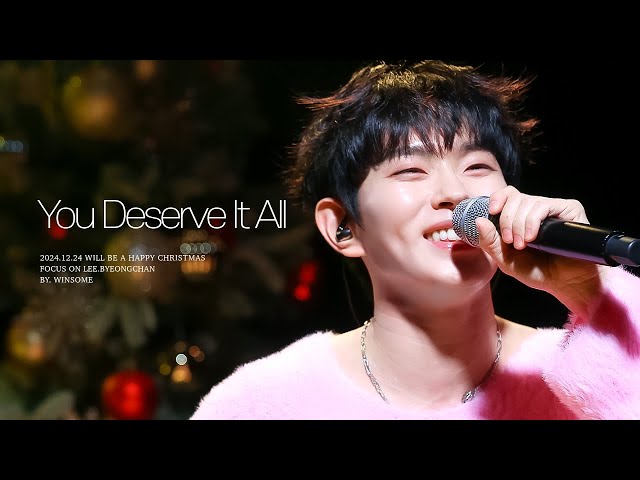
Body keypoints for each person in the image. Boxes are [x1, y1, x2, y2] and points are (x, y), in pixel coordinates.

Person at [190, 60, 640, 419]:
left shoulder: (592, 374)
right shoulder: (263, 403)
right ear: (342, 226)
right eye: (410, 170)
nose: (455, 192)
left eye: (477, 166)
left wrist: (589, 293)